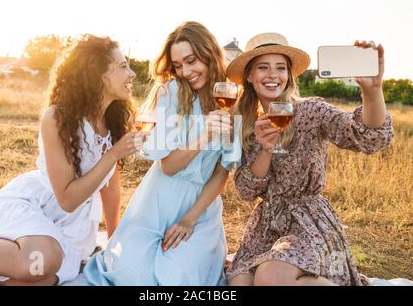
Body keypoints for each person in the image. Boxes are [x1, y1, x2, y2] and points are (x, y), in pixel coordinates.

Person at [0, 35, 143, 285]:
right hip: (33, 207)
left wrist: (113, 239)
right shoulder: (58, 118)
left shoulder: (113, 120)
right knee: (42, 260)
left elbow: (110, 184)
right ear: (98, 74)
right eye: (123, 66)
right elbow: (67, 200)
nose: (132, 73)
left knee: (43, 277)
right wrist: (114, 154)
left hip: (73, 229)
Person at [225, 33, 394, 286]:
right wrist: (266, 148)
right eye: (263, 67)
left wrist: (373, 92)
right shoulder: (244, 123)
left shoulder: (311, 111)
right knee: (239, 283)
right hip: (266, 226)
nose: (273, 75)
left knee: (270, 277)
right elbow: (247, 190)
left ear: (289, 76)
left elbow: (366, 137)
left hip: (309, 222)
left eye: (280, 68)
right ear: (249, 76)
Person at [83, 21, 242, 286]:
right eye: (178, 65)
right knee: (131, 277)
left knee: (180, 279)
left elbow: (222, 172)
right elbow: (168, 166)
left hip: (200, 208)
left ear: (210, 54)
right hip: (158, 199)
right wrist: (204, 135)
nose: (186, 71)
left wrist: (190, 219)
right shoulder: (173, 91)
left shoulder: (232, 98)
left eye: (191, 61)